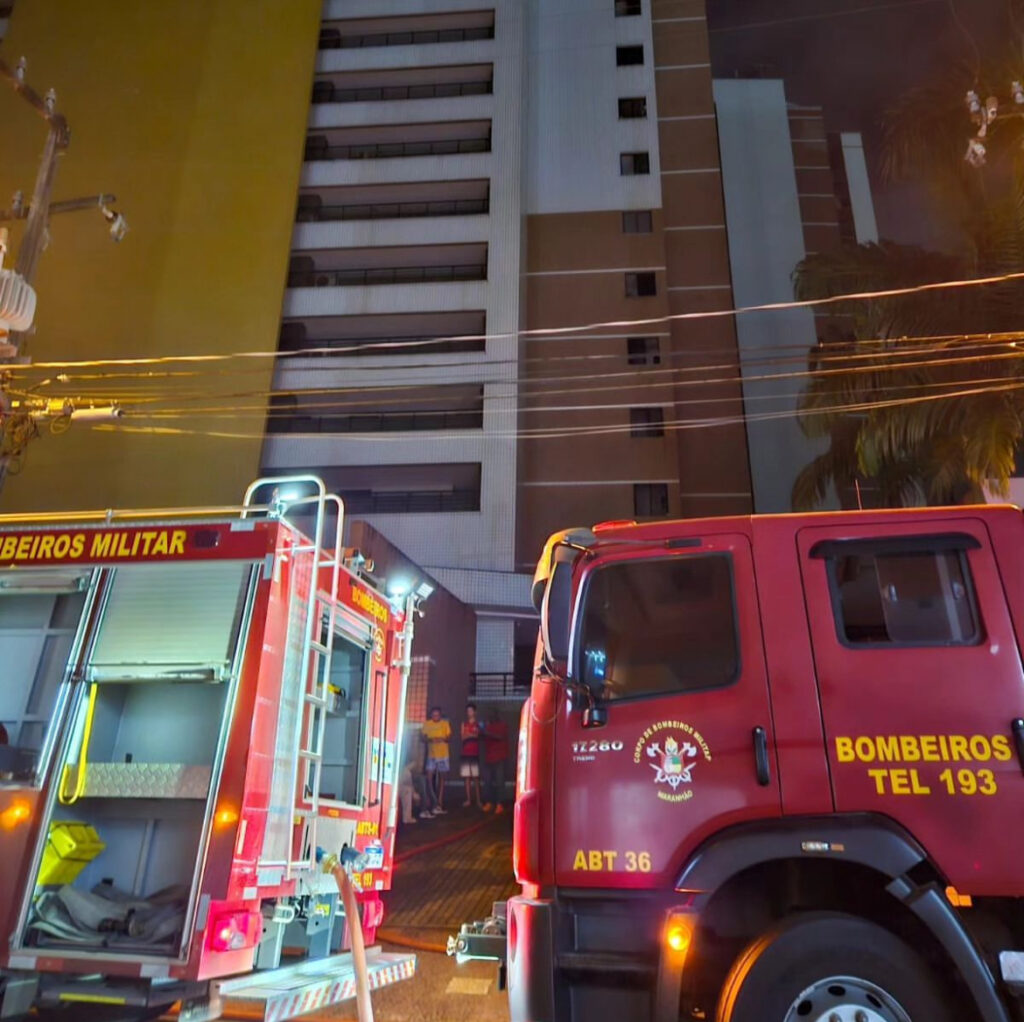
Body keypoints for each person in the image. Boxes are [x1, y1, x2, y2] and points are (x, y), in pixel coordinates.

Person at [420, 706, 450, 815]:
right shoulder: (427, 724)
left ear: (440, 715)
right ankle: (430, 801)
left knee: (442, 779)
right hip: (431, 756)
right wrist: (430, 739)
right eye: (433, 715)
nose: (435, 717)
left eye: (437, 715)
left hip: (443, 755)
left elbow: (448, 737)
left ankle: (439, 803)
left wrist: (440, 739)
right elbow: (422, 738)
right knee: (429, 779)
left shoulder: (445, 724)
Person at [479, 712, 509, 813]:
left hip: (500, 758)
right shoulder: (488, 726)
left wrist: (487, 732)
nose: (490, 718)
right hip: (489, 758)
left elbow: (500, 737)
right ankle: (489, 802)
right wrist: (481, 731)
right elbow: (482, 738)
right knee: (487, 782)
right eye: (489, 716)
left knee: (500, 782)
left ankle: (499, 804)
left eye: (492, 716)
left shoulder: (502, 725)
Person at [460, 703, 482, 808]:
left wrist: (469, 735)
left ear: (475, 712)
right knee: (467, 777)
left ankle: (478, 800)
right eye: (467, 711)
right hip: (465, 753)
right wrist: (470, 735)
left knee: (476, 777)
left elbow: (477, 735)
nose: (469, 713)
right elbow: (463, 737)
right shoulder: (464, 724)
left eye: (471, 711)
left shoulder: (478, 724)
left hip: (474, 753)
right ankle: (468, 799)